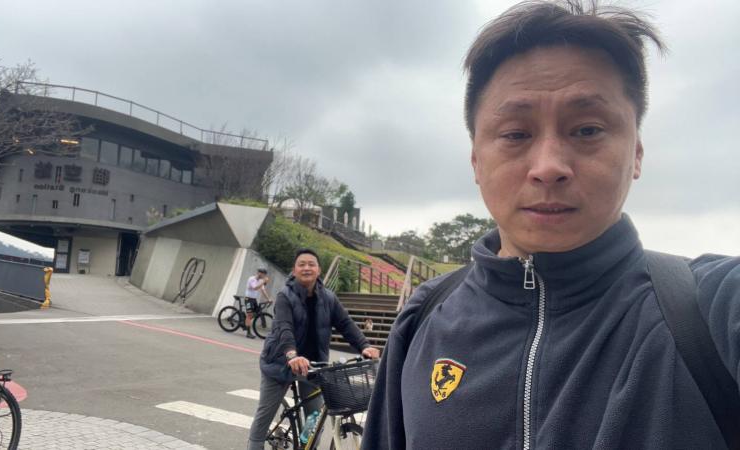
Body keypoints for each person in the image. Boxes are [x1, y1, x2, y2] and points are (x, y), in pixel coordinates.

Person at [362, 1, 739, 449]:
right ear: (476, 160)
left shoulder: (708, 310)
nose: (548, 167)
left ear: (636, 152)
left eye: (587, 130)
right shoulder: (424, 319)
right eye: (516, 134)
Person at [247, 248, 380, 450]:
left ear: (319, 270)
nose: (306, 268)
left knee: (313, 418)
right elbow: (284, 328)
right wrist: (292, 355)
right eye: (301, 264)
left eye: (311, 264)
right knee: (264, 417)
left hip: (313, 366)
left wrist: (365, 346)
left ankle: (305, 445)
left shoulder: (328, 298)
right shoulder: (285, 296)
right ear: (294, 270)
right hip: (279, 363)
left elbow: (345, 324)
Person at [244, 268, 270, 339]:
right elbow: (255, 288)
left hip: (254, 300)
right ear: (259, 273)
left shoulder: (260, 281)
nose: (264, 276)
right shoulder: (252, 279)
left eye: (265, 275)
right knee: (249, 315)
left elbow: (263, 290)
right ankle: (248, 333)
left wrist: (268, 299)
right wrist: (263, 281)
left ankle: (246, 321)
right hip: (248, 299)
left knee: (257, 313)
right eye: (263, 274)